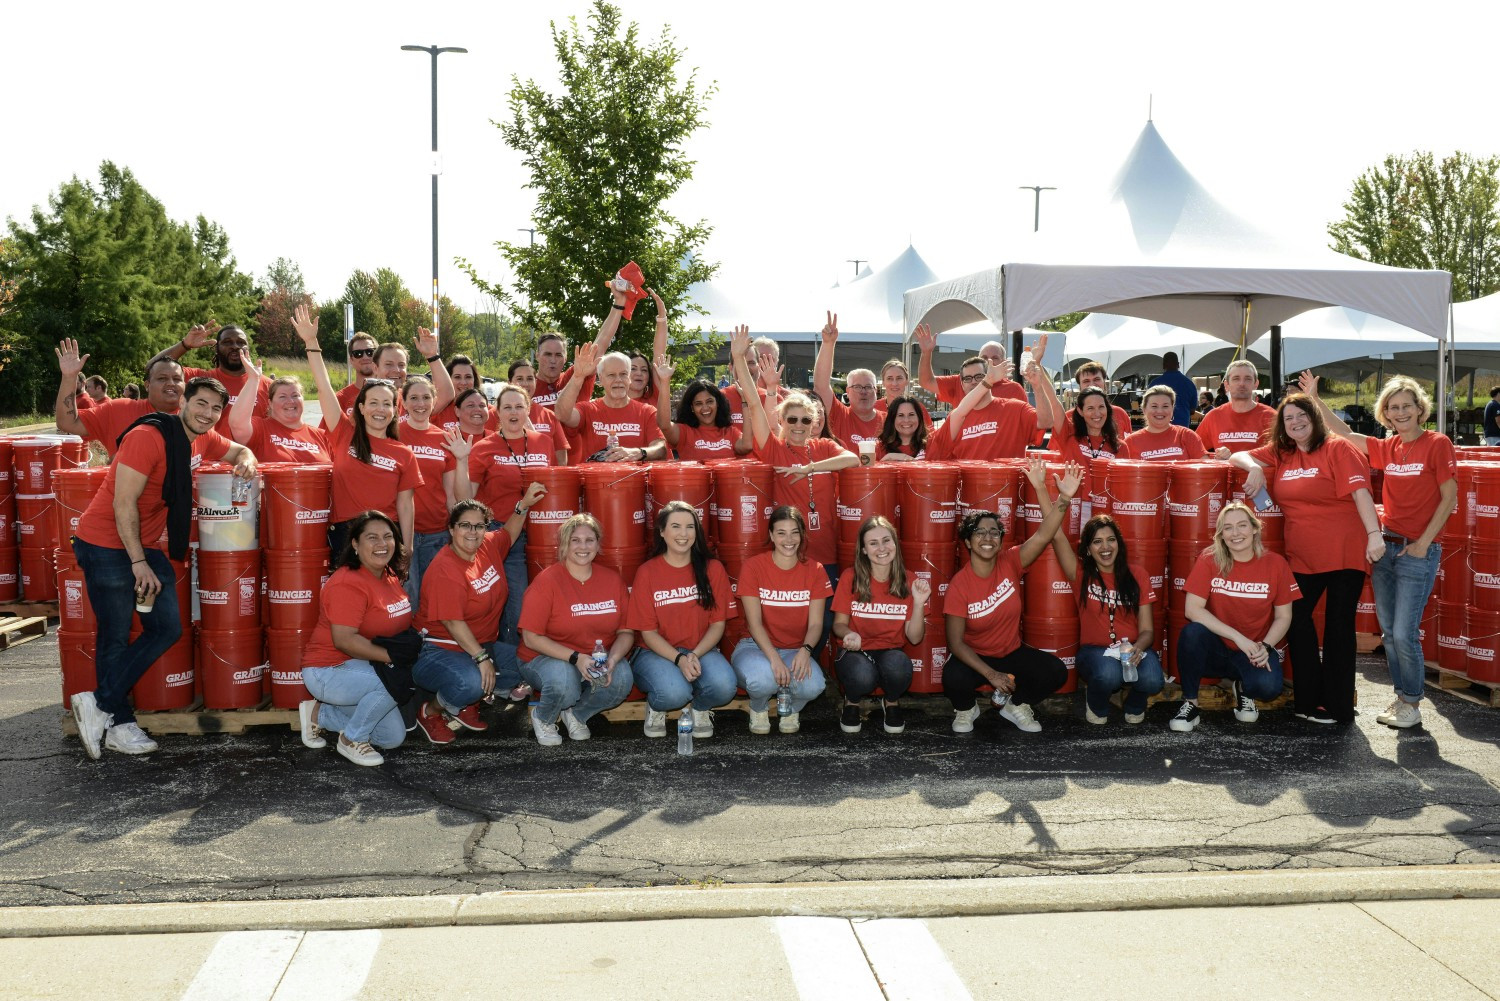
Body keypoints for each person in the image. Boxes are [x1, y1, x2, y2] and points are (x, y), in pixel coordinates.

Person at [68, 377, 257, 759]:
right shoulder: (148, 437)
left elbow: (239, 450)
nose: (207, 413)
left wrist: (247, 461)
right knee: (116, 634)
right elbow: (124, 504)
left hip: (143, 543)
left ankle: (98, 703)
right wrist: (139, 562)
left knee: (168, 627)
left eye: (216, 408)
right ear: (184, 402)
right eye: (200, 403)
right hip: (107, 543)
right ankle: (119, 723)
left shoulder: (203, 438)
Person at [1298, 371, 1457, 730]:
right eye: (1392, 408)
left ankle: (1412, 702)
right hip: (1387, 546)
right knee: (1388, 631)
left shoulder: (1437, 443)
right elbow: (1347, 434)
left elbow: (1450, 499)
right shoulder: (1391, 446)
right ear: (1385, 413)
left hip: (1418, 550)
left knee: (1403, 633)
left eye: (1407, 406)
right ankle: (1401, 698)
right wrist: (1315, 400)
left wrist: (1423, 544)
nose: (1400, 413)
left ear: (1420, 409)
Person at [1231, 394, 1382, 725]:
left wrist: (1374, 534)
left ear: (1315, 417)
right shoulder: (1283, 452)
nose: (1295, 422)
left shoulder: (1338, 449)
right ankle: (1307, 700)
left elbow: (1361, 493)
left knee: (1338, 627)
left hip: (1345, 550)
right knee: (1296, 621)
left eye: (1301, 415)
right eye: (1288, 418)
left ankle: (1337, 706)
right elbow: (1236, 454)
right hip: (1301, 555)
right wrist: (1255, 466)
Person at [943, 458, 1080, 734]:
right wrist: (990, 675)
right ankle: (966, 708)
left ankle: (1015, 706)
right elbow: (956, 643)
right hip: (976, 656)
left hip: (1010, 652)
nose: (987, 537)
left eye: (994, 532)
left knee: (1056, 672)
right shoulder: (960, 584)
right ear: (968, 542)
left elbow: (1044, 535)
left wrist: (1064, 498)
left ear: (1001, 541)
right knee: (953, 676)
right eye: (979, 532)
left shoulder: (1011, 561)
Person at [411, 490, 543, 744]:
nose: (472, 532)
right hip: (439, 650)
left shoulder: (487, 546)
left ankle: (469, 699)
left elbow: (509, 533)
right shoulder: (445, 569)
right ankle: (431, 712)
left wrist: (522, 506)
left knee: (529, 666)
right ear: (451, 529)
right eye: (465, 526)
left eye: (479, 526)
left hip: (482, 645)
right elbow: (453, 622)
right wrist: (482, 659)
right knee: (470, 683)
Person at [733, 326, 859, 575]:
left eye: (805, 420)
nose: (798, 426)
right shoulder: (775, 450)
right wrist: (738, 358)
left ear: (814, 422)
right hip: (790, 557)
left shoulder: (823, 446)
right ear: (782, 422)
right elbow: (756, 406)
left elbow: (852, 459)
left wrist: (810, 468)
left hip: (827, 555)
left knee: (825, 616)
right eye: (792, 420)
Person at [297, 308, 424, 555]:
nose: (380, 409)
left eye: (387, 404)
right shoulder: (343, 433)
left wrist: (406, 548)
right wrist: (311, 342)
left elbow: (406, 506)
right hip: (346, 534)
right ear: (362, 407)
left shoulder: (403, 453)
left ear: (395, 410)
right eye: (373, 403)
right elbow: (323, 387)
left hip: (386, 535)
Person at [298, 511, 414, 767]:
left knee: (391, 737)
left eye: (387, 537)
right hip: (328, 669)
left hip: (362, 665)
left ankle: (319, 713)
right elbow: (344, 641)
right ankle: (351, 740)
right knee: (394, 680)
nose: (382, 544)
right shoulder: (347, 583)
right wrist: (393, 658)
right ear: (355, 544)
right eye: (372, 537)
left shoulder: (388, 575)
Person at [1171, 503, 1298, 733]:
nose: (1236, 533)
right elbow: (1192, 609)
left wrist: (1266, 646)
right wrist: (1238, 638)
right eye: (1228, 528)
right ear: (1221, 535)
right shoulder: (1210, 559)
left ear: (1255, 529)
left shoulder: (1276, 564)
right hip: (1218, 648)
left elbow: (1284, 616)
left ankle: (1243, 688)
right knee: (1191, 633)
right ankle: (1191, 703)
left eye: (1242, 525)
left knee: (1269, 688)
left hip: (1253, 651)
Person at [517, 513, 634, 745]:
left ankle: (576, 715)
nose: (583, 546)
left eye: (589, 540)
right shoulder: (546, 582)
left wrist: (612, 659)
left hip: (594, 658)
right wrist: (576, 658)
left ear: (598, 545)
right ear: (564, 545)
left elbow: (626, 632)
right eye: (575, 540)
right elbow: (531, 638)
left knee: (621, 679)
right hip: (544, 657)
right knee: (565, 681)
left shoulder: (612, 580)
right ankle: (544, 717)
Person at [628, 501, 737, 739]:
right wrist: (679, 659)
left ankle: (699, 708)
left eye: (690, 527)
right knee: (673, 693)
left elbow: (718, 624)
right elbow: (648, 633)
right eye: (675, 526)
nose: (683, 534)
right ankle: (657, 707)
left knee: (725, 687)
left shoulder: (713, 568)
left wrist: (694, 655)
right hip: (655, 652)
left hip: (700, 648)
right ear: (662, 532)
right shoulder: (647, 571)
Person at [1044, 514, 1164, 724]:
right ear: (1088, 550)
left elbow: (1147, 631)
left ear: (1119, 543)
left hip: (1132, 649)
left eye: (1111, 539)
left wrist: (1138, 648)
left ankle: (1134, 704)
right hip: (1094, 651)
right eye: (1097, 542)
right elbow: (1056, 535)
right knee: (1109, 674)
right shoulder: (1080, 574)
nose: (1105, 547)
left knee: (1154, 679)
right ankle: (1097, 704)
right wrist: (1043, 489)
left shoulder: (1138, 575)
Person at [732, 506, 832, 735]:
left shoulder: (815, 570)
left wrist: (806, 651)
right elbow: (754, 623)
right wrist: (775, 659)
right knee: (764, 680)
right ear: (771, 535)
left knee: (814, 686)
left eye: (795, 532)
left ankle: (791, 708)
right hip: (755, 645)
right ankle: (758, 707)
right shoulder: (753, 567)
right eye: (781, 533)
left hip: (795, 648)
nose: (789, 539)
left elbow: (817, 624)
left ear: (803, 535)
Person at [469, 384, 556, 643]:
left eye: (519, 406)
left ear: (528, 409)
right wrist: (462, 461)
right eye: (507, 407)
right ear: (497, 412)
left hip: (542, 532)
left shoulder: (544, 442)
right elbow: (468, 496)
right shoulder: (483, 447)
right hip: (503, 532)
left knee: (543, 599)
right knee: (516, 601)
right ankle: (512, 667)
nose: (514, 412)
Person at [831, 516, 932, 734]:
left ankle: (892, 702)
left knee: (899, 667)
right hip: (855, 651)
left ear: (895, 544)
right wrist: (849, 634)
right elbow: (838, 625)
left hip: (890, 651)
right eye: (873, 543)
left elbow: (914, 638)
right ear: (864, 550)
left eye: (886, 540)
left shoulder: (910, 580)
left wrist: (918, 603)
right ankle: (852, 701)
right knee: (862, 675)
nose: (882, 548)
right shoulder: (851, 577)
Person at [398, 375, 473, 607]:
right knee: (407, 598)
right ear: (404, 401)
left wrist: (462, 460)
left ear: (434, 401)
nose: (420, 404)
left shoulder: (445, 438)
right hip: (401, 533)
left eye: (425, 398)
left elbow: (455, 496)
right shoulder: (393, 434)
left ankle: (431, 642)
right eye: (413, 398)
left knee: (434, 598)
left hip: (436, 534)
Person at [55, 340, 182, 459]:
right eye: (162, 378)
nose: (171, 383)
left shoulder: (196, 418)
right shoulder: (119, 410)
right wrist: (69, 377)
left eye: (177, 379)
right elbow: (67, 423)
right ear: (147, 385)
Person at [147, 323, 272, 434]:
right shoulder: (199, 379)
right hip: (204, 457)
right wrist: (185, 345)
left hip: (250, 458)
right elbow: (152, 368)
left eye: (241, 343)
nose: (235, 346)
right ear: (216, 349)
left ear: (248, 349)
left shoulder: (268, 386)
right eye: (227, 342)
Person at [925, 354, 1053, 461]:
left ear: (992, 378)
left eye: (979, 376)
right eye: (967, 379)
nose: (974, 382)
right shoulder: (957, 419)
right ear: (962, 385)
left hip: (1007, 488)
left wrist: (1037, 386)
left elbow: (1046, 421)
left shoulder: (1015, 408)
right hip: (969, 489)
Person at [556, 343, 669, 462]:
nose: (618, 380)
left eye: (623, 374)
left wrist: (639, 452)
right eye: (611, 375)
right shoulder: (587, 409)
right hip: (596, 479)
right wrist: (578, 376)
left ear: (629, 378)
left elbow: (661, 449)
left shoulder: (647, 411)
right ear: (600, 379)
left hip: (634, 479)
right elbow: (562, 414)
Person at [227, 338, 332, 464]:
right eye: (282, 396)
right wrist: (254, 379)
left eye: (295, 395)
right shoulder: (261, 429)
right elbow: (237, 424)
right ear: (270, 403)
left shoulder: (322, 436)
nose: (290, 401)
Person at [813, 313, 884, 450]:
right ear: (848, 391)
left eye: (868, 387)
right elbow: (820, 386)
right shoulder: (839, 415)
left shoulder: (889, 421)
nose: (863, 392)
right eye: (857, 387)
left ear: (876, 391)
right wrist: (828, 344)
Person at [654, 362, 750, 460]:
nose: (705, 408)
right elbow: (664, 424)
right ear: (691, 408)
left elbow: (747, 446)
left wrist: (745, 401)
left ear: (718, 403)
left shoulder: (730, 432)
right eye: (698, 404)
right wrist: (665, 381)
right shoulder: (685, 432)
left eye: (709, 402)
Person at [915, 324, 1029, 404]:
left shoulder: (1014, 390)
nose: (989, 361)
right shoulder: (962, 381)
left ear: (1004, 361)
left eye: (995, 358)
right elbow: (926, 382)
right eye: (984, 358)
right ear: (977, 360)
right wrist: (926, 353)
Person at [1196, 360, 1275, 457]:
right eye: (1236, 379)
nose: (1242, 383)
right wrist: (1214, 461)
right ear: (1226, 385)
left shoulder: (1271, 417)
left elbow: (1284, 454)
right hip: (1224, 472)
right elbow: (1193, 450)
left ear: (1256, 384)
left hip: (1259, 472)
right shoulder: (1213, 416)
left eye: (1248, 379)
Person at [1034, 383, 1122, 463]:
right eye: (1090, 408)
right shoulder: (1068, 434)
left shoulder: (1120, 447)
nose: (1097, 413)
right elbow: (1053, 400)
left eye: (1101, 407)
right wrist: (1039, 375)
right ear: (1080, 411)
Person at [1118, 386, 1207, 460]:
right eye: (1154, 406)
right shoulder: (1130, 442)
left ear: (1172, 409)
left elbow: (1205, 470)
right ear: (1144, 409)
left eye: (1165, 406)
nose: (1160, 411)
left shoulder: (1187, 436)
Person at [506, 360, 570, 463]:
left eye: (530, 378)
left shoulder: (549, 416)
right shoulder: (496, 414)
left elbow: (561, 459)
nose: (525, 384)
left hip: (542, 477)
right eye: (519, 379)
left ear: (536, 382)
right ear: (509, 383)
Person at [1074, 361, 1133, 437]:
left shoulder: (1120, 414)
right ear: (1080, 386)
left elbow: (1129, 446)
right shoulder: (1069, 417)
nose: (1092, 384)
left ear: (1104, 383)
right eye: (1086, 381)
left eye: (1096, 379)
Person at [334, 332, 380, 417]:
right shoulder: (340, 399)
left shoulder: (392, 394)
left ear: (377, 356)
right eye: (358, 353)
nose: (365, 357)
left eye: (370, 352)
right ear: (351, 360)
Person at [1147, 351, 1198, 427]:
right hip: (1182, 428)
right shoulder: (1189, 384)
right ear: (1178, 365)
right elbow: (1192, 410)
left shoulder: (1154, 383)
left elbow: (1148, 407)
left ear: (1163, 366)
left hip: (1159, 427)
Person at [874, 397, 930, 462]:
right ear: (892, 420)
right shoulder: (878, 449)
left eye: (911, 414)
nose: (906, 420)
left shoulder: (932, 444)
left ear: (919, 418)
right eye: (900, 415)